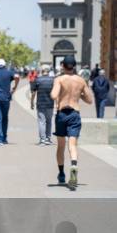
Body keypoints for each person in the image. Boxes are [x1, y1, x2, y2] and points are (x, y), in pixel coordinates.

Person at [50, 55, 93, 189]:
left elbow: (53, 95)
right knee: (73, 144)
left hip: (62, 114)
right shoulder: (81, 81)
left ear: (62, 65)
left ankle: (62, 173)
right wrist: (78, 94)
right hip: (75, 114)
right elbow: (90, 100)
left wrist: (60, 91)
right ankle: (74, 165)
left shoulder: (59, 79)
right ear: (74, 66)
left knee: (61, 146)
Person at [30, 65, 55, 145]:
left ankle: (42, 140)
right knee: (49, 121)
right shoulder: (53, 80)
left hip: (40, 104)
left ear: (41, 71)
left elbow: (33, 93)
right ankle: (48, 138)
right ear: (48, 71)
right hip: (50, 104)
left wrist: (31, 102)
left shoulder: (37, 80)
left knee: (41, 122)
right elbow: (56, 93)